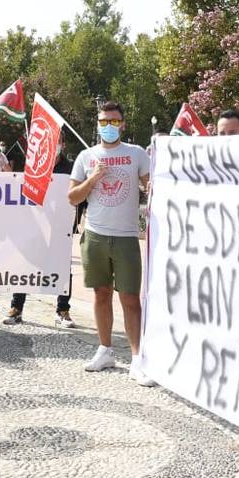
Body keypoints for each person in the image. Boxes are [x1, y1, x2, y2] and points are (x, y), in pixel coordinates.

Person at [68, 101, 152, 384]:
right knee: (100, 294)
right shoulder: (86, 156)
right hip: (94, 235)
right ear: (98, 124)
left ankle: (138, 357)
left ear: (123, 125)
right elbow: (73, 197)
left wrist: (151, 187)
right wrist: (94, 178)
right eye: (104, 122)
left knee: (130, 298)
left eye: (114, 122)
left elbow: (150, 185)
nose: (109, 127)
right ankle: (105, 349)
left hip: (127, 236)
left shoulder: (136, 153)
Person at [6, 150, 77, 326]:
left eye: (57, 141)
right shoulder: (33, 167)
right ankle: (16, 308)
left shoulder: (71, 167)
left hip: (61, 227)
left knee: (63, 268)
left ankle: (62, 310)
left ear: (63, 144)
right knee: (24, 264)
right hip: (35, 224)